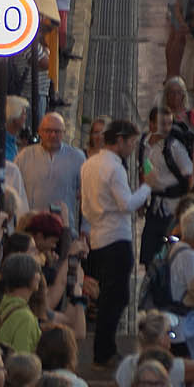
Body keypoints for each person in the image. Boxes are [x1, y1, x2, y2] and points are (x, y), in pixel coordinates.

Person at [81, 120, 151, 367]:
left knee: (108, 297)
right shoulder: (115, 168)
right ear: (119, 141)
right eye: (131, 143)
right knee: (117, 296)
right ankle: (105, 351)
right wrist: (147, 187)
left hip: (98, 237)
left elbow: (86, 206)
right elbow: (127, 204)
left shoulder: (88, 164)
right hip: (116, 238)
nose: (132, 148)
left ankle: (104, 348)